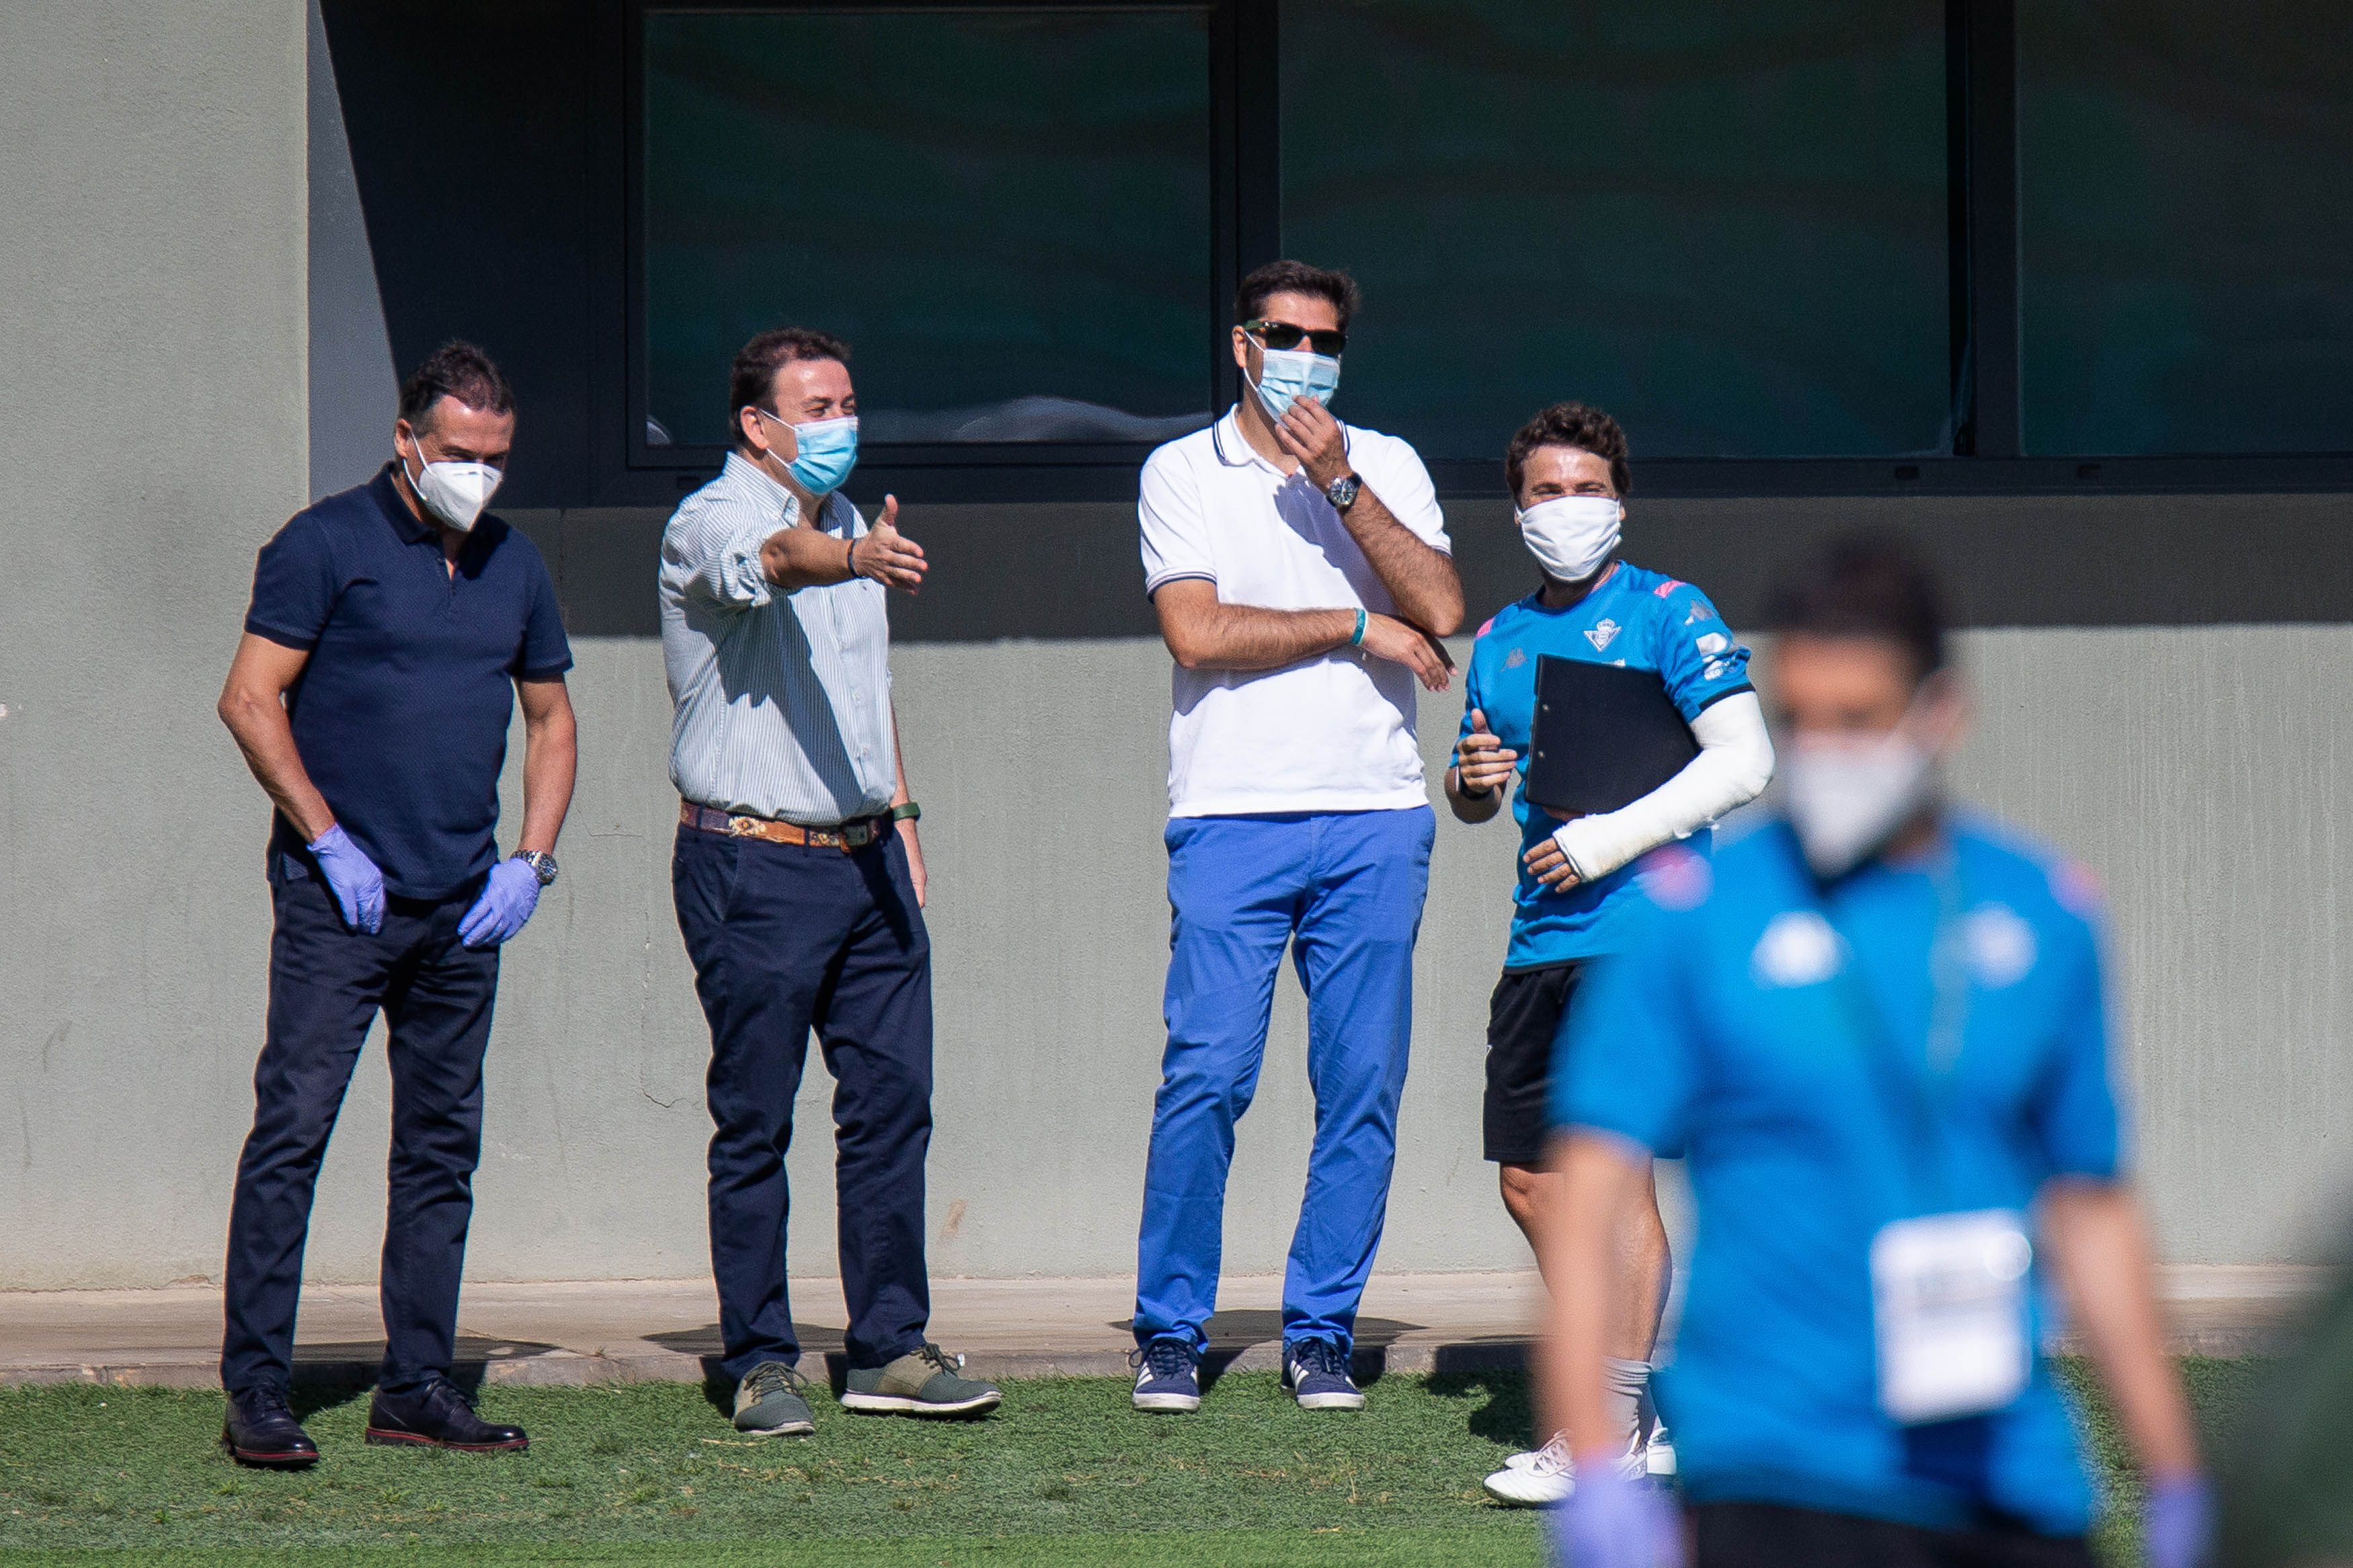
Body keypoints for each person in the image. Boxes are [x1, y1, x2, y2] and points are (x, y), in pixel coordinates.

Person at [1538, 536, 2212, 1568]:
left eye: (1859, 721)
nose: (1826, 754)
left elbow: (2094, 1204)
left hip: (2003, 1474)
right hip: (1772, 1477)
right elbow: (1589, 1198)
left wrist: (2175, 1475)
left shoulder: (2044, 913)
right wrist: (1593, 1463)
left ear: (1941, 712)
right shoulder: (1697, 921)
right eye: (1801, 722)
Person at [214, 342, 576, 1466]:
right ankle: (259, 1391)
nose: (481, 475)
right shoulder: (324, 543)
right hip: (342, 906)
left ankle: (416, 1384)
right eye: (462, 454)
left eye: (499, 457)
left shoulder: (514, 564)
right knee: (295, 1132)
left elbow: (553, 721)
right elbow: (249, 697)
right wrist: (327, 841)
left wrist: (531, 860)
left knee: (439, 1149)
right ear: (408, 442)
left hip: (462, 907)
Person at [1127, 259, 1463, 1415]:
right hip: (1229, 818)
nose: (1306, 357)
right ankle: (1170, 1328)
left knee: (1361, 1083)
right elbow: (1198, 629)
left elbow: (1447, 607)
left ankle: (1322, 1329)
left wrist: (1344, 484)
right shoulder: (1181, 469)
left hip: (1374, 815)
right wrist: (1356, 623)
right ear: (1242, 343)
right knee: (1208, 1076)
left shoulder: (1388, 463)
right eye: (1286, 335)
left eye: (1326, 341)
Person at [662, 326, 1000, 1439]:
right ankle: (759, 1359)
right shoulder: (709, 520)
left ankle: (889, 1347)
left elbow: (867, 692)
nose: (841, 422)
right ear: (758, 424)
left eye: (849, 400)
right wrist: (848, 559)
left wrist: (901, 814)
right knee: (755, 1118)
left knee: (894, 1107)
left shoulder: (859, 519)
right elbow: (773, 561)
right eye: (817, 406)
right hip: (752, 860)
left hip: (868, 860)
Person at [1446, 402, 1773, 1504]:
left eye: (1587, 488)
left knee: (1610, 1171)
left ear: (1620, 501)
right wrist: (1474, 788)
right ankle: (1630, 1394)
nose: (1567, 508)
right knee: (1532, 1181)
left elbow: (1744, 760)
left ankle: (1613, 1426)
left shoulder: (1673, 613)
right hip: (1540, 940)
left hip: (1646, 931)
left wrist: (1607, 838)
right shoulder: (1496, 638)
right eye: (1546, 490)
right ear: (1518, 505)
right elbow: (1477, 789)